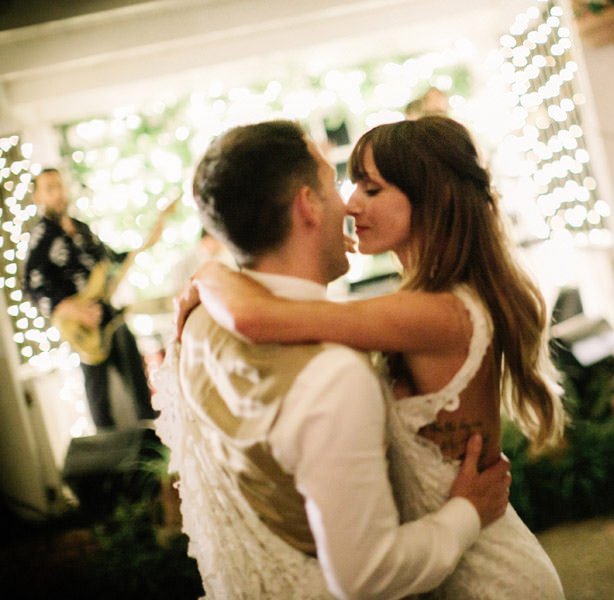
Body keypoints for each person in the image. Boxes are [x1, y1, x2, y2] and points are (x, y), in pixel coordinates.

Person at [180, 116, 567, 598]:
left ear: (431, 200)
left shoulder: (440, 313)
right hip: (443, 561)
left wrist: (212, 277)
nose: (350, 202)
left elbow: (261, 318)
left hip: (487, 574)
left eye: (371, 188)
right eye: (348, 184)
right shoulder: (419, 303)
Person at [23, 168, 158, 431]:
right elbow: (32, 286)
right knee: (98, 395)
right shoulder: (42, 237)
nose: (59, 193)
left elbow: (108, 261)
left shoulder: (81, 229)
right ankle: (106, 450)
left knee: (138, 382)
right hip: (83, 327)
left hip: (108, 315)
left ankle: (153, 438)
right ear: (37, 197)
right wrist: (69, 307)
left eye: (60, 186)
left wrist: (145, 244)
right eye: (50, 188)